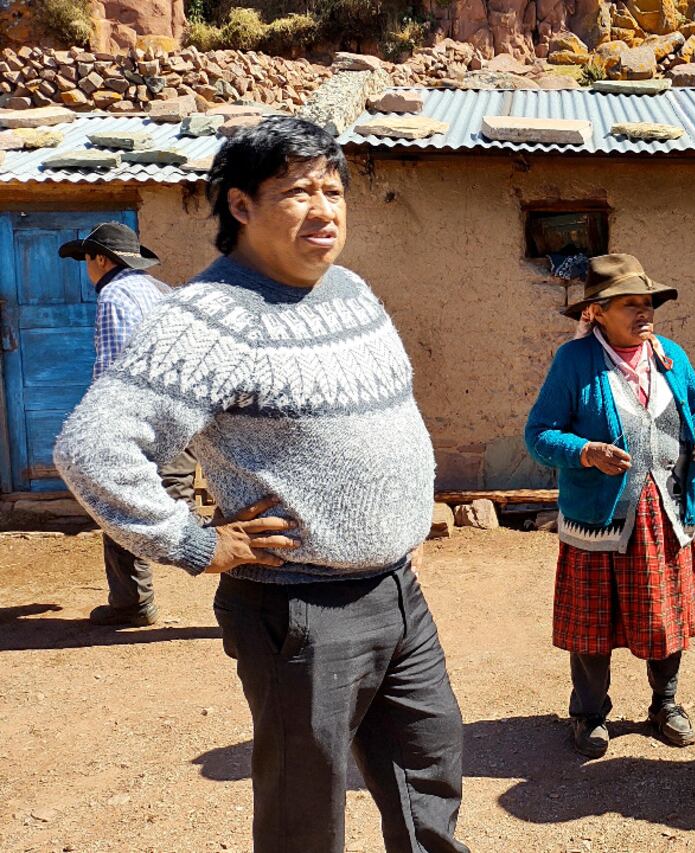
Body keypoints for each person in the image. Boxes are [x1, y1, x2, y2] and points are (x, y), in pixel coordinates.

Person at [54, 117, 468, 853]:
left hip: (397, 590)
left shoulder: (351, 290)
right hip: (298, 607)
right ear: (241, 205)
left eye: (333, 190)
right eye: (297, 191)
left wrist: (401, 525)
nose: (324, 209)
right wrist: (191, 541)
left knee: (428, 778)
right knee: (303, 816)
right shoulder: (210, 318)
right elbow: (92, 446)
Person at [525, 253, 695, 759]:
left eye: (648, 303)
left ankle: (666, 704)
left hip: (665, 511)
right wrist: (585, 452)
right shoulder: (575, 362)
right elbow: (539, 434)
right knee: (592, 622)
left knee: (665, 615)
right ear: (598, 311)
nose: (645, 312)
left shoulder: (669, 355)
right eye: (631, 304)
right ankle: (589, 714)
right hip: (601, 517)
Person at [57, 222, 197, 627]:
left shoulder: (116, 295)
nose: (87, 269)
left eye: (87, 259)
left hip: (142, 422)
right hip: (181, 419)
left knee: (123, 506)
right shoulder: (161, 291)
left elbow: (115, 368)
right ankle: (131, 602)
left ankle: (133, 603)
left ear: (101, 259)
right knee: (169, 508)